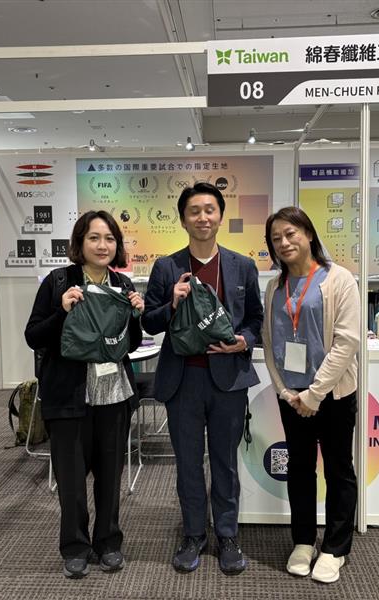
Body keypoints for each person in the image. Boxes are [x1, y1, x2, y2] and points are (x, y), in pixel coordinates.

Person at [141, 181, 263, 575]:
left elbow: (255, 320)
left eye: (210, 210)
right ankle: (194, 533)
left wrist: (243, 341)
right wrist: (172, 304)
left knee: (225, 463)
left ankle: (227, 534)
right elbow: (149, 322)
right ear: (183, 219)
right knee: (188, 464)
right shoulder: (166, 267)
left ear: (220, 216)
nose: (203, 217)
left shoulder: (242, 266)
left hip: (228, 381)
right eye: (194, 211)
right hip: (183, 382)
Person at [24, 210, 144, 578]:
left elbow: (129, 345)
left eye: (109, 238)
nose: (102, 245)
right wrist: (62, 311)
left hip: (113, 396)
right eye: (94, 237)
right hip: (68, 397)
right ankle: (75, 546)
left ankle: (108, 542)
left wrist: (135, 316)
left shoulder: (122, 284)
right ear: (80, 243)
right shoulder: (58, 281)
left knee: (110, 478)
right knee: (71, 481)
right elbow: (33, 336)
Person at [261, 207, 360, 584]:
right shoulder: (275, 286)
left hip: (333, 395)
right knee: (300, 470)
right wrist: (285, 390)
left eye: (290, 234)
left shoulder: (339, 279)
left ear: (308, 234)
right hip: (292, 398)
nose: (284, 243)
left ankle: (335, 548)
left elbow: (347, 342)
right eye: (276, 239)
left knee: (338, 470)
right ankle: (303, 541)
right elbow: (269, 341)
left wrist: (314, 395)